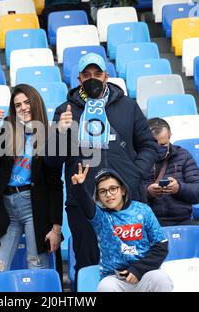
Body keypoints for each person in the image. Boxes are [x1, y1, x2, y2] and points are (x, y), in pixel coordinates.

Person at [45, 52, 158, 289]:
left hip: (127, 202)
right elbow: (51, 161)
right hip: (84, 204)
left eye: (97, 74)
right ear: (78, 79)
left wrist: (134, 173)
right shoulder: (65, 111)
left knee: (133, 265)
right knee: (89, 267)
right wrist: (59, 132)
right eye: (87, 75)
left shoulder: (127, 106)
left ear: (107, 76)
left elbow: (148, 145)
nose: (92, 78)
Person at [0, 84, 64, 291]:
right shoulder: (9, 128)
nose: (23, 107)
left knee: (38, 270)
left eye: (27, 102)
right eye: (17, 105)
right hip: (6, 207)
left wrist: (56, 228)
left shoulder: (50, 134)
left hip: (34, 207)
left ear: (35, 102)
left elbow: (55, 184)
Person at [70, 164, 173, 292]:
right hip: (115, 279)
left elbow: (161, 246)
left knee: (160, 278)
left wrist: (138, 270)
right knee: (105, 287)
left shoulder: (143, 210)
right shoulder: (100, 217)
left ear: (123, 190)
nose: (108, 194)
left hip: (144, 274)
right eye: (103, 191)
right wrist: (79, 187)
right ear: (98, 197)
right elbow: (86, 204)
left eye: (113, 188)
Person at [143, 118, 199, 249]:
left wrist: (179, 188)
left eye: (163, 145)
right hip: (149, 223)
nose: (159, 149)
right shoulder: (137, 158)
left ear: (170, 136)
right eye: (155, 145)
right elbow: (127, 193)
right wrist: (148, 192)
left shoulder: (183, 155)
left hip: (182, 220)